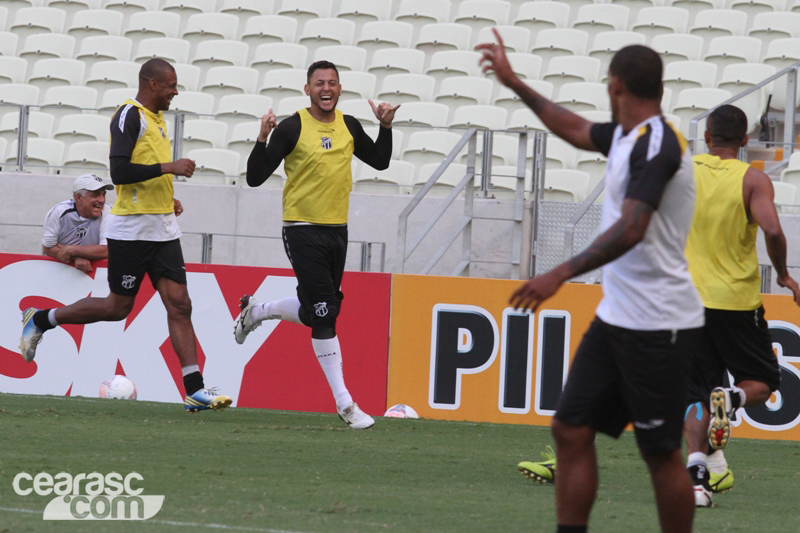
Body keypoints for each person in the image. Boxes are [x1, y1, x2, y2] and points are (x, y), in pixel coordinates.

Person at [478, 30, 704, 533]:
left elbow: (633, 226)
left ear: (616, 84)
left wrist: (559, 272)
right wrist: (514, 83)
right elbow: (576, 129)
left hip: (661, 325)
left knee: (661, 452)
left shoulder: (660, 144)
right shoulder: (626, 135)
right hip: (618, 318)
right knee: (571, 428)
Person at [20, 58, 231, 413]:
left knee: (180, 304)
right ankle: (41, 319)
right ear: (152, 84)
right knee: (117, 308)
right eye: (171, 86)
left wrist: (168, 195)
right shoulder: (127, 115)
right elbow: (119, 171)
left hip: (162, 228)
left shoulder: (159, 119)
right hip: (131, 231)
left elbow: (144, 176)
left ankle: (195, 390)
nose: (175, 92)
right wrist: (170, 167)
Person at [234, 60, 399, 429]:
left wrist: (385, 127)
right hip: (302, 229)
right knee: (325, 314)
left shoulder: (349, 125)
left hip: (336, 231)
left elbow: (381, 162)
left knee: (315, 311)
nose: (327, 88)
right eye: (319, 83)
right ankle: (346, 405)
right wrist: (262, 138)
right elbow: (256, 177)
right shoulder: (292, 127)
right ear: (307, 89)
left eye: (333, 83)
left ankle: (256, 311)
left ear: (340, 90)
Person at [683, 104, 800, 507]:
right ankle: (730, 399)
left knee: (697, 393)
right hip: (735, 301)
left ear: (707, 137)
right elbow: (772, 229)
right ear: (746, 140)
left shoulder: (684, 171)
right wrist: (784, 275)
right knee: (763, 382)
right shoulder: (752, 179)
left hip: (688, 299)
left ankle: (696, 482)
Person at [42, 174, 114, 274]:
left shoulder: (108, 211)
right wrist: (76, 257)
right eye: (96, 195)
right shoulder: (59, 211)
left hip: (94, 275)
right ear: (78, 197)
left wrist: (72, 250)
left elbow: (107, 250)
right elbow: (48, 248)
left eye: (103, 194)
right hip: (57, 272)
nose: (102, 200)